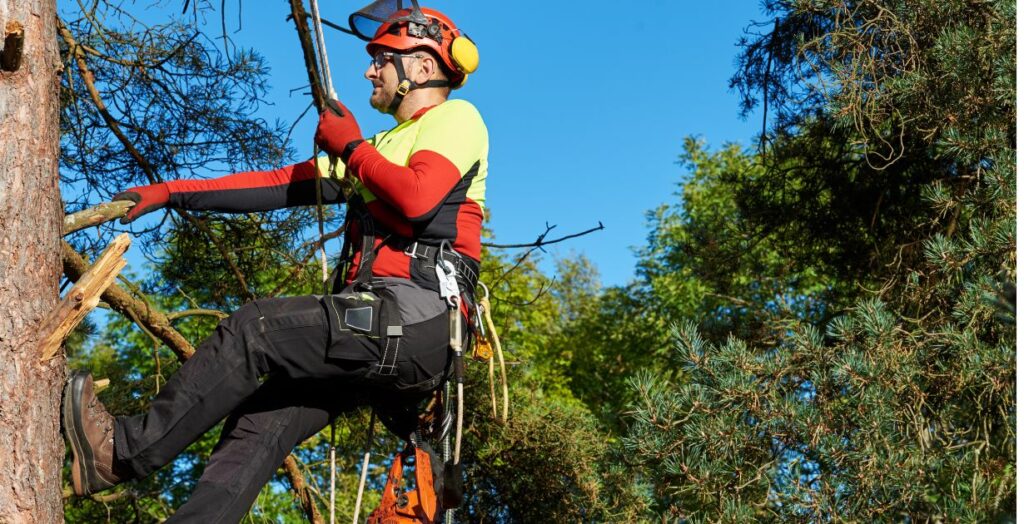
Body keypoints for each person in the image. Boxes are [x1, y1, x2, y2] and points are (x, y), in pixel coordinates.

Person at [62, 6, 486, 521]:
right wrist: (172, 191)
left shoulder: (455, 119)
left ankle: (121, 453)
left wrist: (350, 148)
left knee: (256, 328)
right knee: (259, 424)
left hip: (417, 320)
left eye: (381, 59)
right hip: (383, 327)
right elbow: (277, 185)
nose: (369, 71)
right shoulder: (379, 148)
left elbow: (418, 199)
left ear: (420, 68)